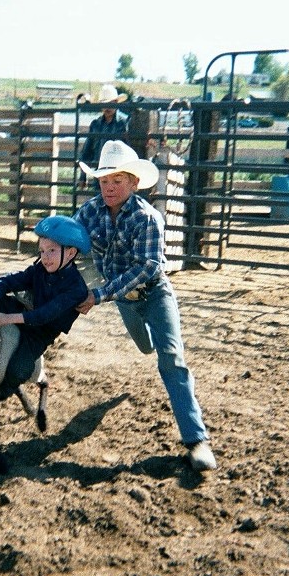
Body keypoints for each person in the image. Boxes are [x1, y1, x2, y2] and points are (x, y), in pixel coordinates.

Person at [74, 140, 217, 471]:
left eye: (117, 181)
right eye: (103, 181)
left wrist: (98, 294)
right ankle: (150, 340)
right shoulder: (89, 212)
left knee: (171, 358)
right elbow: (70, 243)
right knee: (144, 346)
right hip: (122, 298)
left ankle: (196, 440)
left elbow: (147, 268)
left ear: (134, 183)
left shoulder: (147, 217)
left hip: (154, 294)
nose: (108, 188)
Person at [0, 215, 90, 403]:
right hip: (23, 310)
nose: (45, 257)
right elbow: (6, 280)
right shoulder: (39, 268)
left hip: (40, 332)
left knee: (19, 369)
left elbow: (44, 315)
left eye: (51, 250)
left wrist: (5, 318)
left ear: (70, 253)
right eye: (42, 251)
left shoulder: (77, 289)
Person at [78, 84, 129, 189]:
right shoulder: (95, 124)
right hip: (100, 176)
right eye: (105, 103)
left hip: (119, 175)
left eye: (111, 103)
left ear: (116, 103)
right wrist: (83, 176)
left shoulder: (125, 123)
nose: (108, 107)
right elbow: (86, 152)